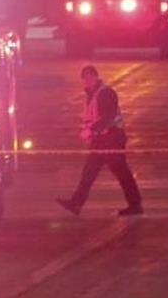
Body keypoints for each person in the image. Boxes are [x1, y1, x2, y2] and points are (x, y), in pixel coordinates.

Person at [57, 65, 144, 217]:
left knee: (121, 172)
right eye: (85, 78)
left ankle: (135, 205)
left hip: (112, 138)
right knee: (89, 172)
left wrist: (91, 130)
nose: (87, 81)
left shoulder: (105, 93)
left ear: (96, 77)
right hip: (101, 139)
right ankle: (76, 203)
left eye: (90, 77)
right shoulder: (93, 94)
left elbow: (108, 117)